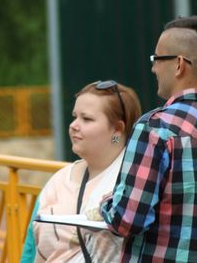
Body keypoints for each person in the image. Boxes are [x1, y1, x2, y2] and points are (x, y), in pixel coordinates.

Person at [101, 14, 197, 262]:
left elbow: (127, 220)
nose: (153, 68)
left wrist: (106, 204)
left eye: (157, 59)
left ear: (179, 64)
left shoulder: (154, 128)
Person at [21, 80, 142, 263]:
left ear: (117, 129)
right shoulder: (58, 181)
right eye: (74, 116)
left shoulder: (136, 182)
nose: (73, 125)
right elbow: (30, 251)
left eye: (86, 119)